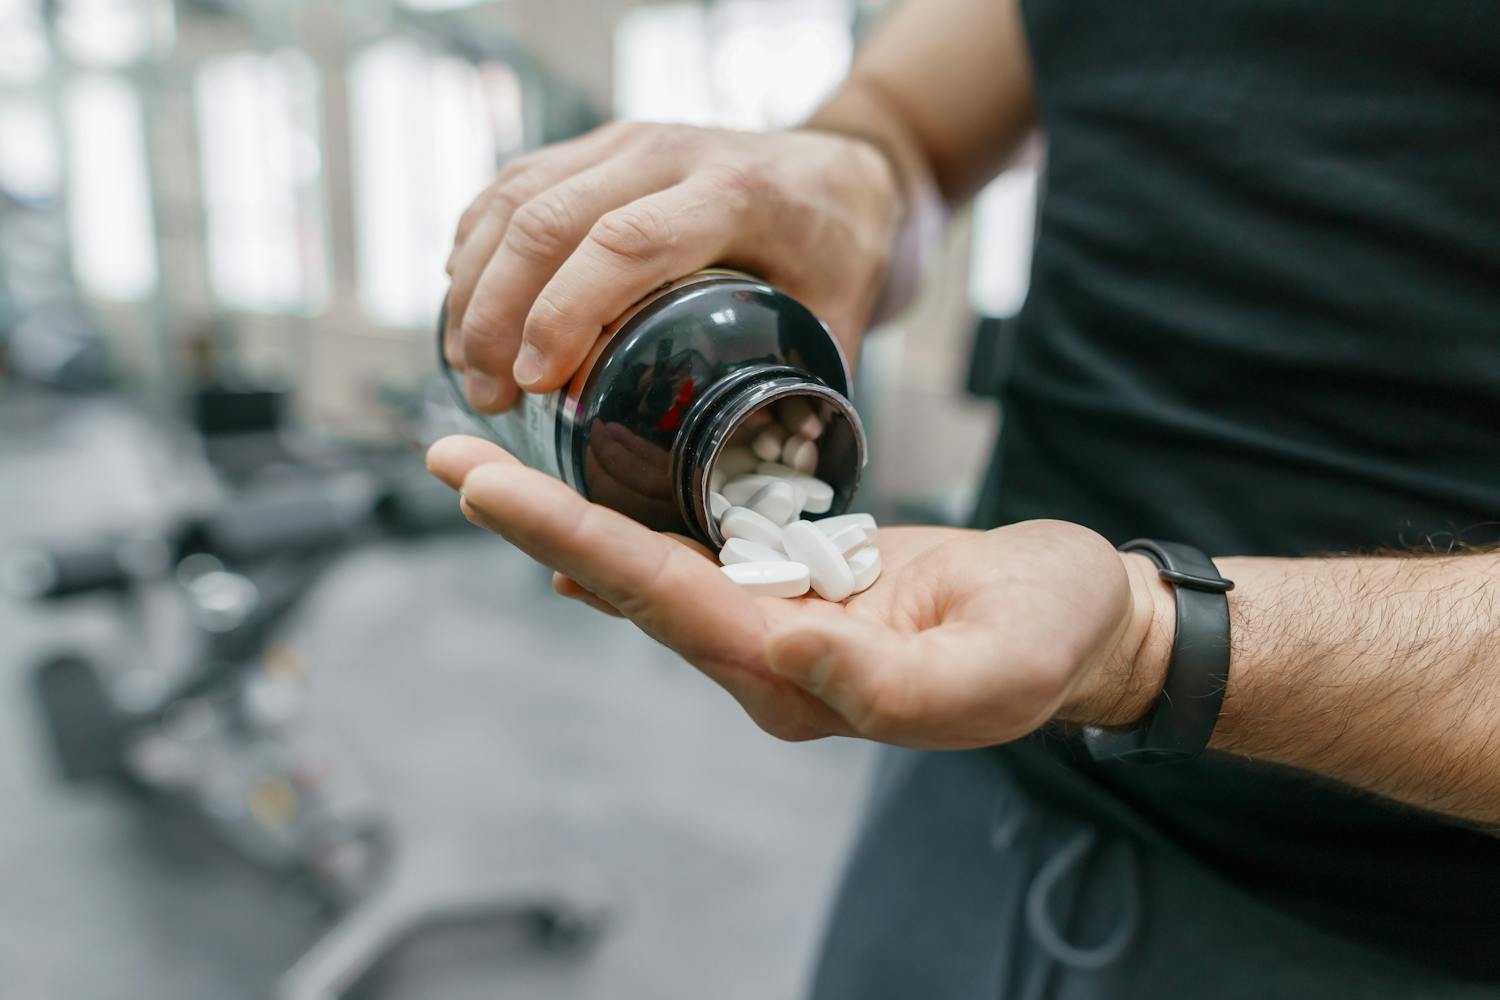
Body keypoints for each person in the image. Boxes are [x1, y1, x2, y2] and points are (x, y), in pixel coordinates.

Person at [426, 0, 1500, 995]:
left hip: (1370, 925)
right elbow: (908, 121)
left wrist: (1148, 638)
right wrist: (852, 174)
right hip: (973, 788)